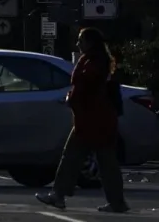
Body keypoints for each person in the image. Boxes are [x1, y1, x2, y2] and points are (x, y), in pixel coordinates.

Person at [36, 26, 129, 213]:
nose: (78, 43)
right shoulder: (99, 60)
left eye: (81, 39)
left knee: (71, 157)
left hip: (91, 120)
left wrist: (72, 98)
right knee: (106, 162)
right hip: (99, 119)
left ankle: (59, 195)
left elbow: (85, 87)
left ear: (90, 42)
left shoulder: (93, 62)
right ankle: (117, 202)